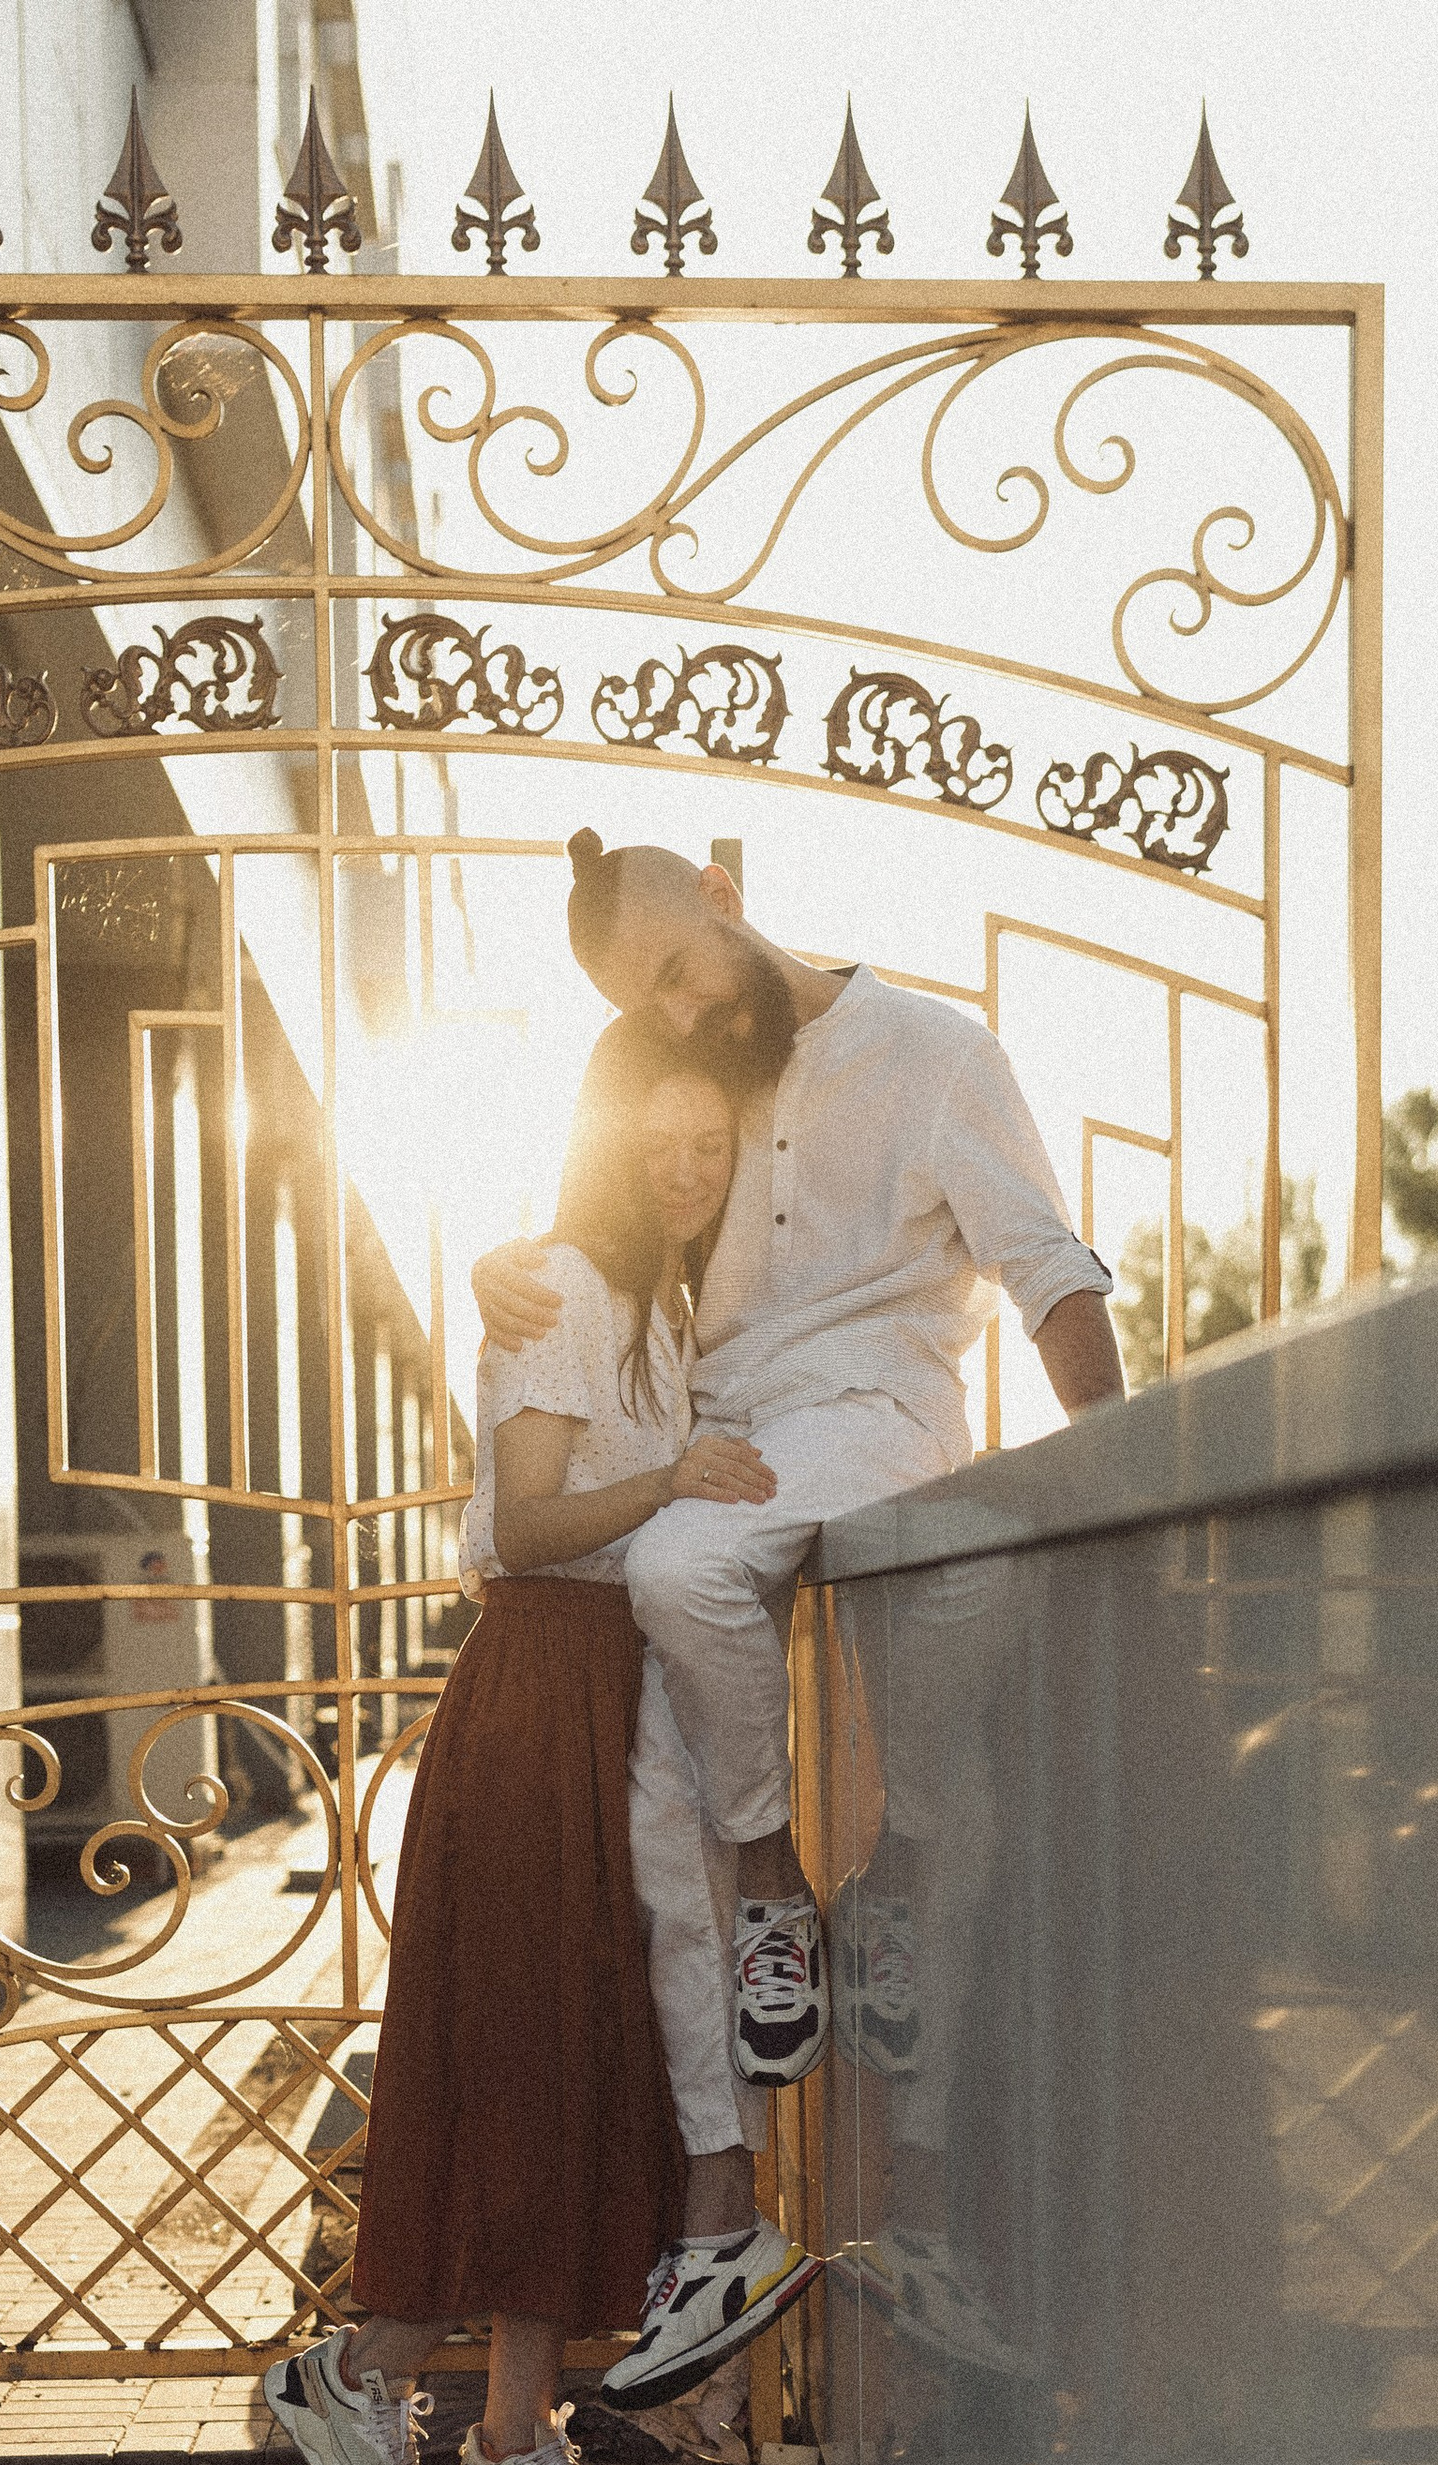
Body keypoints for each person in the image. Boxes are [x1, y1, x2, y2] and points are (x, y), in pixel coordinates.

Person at [471, 833, 1127, 2386]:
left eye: (678, 977)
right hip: (721, 1438)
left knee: (740, 1623)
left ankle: (895, 2148)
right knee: (665, 1819)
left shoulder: (934, 1053)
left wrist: (1125, 1470)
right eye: (647, 1010)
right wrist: (517, 1257)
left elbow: (1047, 1270)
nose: (681, 1019)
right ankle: (731, 2225)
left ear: (725, 898)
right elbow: (619, 1196)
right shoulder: (700, 1068)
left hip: (873, 1420)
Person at [265, 1016, 819, 2465]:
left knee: (567, 2073)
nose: (688, 1171)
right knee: (521, 2066)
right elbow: (525, 1519)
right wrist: (676, 1478)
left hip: (609, 1702)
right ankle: (361, 2374)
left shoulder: (659, 1307)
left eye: (713, 1146)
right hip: (538, 1698)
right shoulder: (566, 1287)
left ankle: (514, 2438)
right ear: (607, 1145)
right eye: (662, 1143)